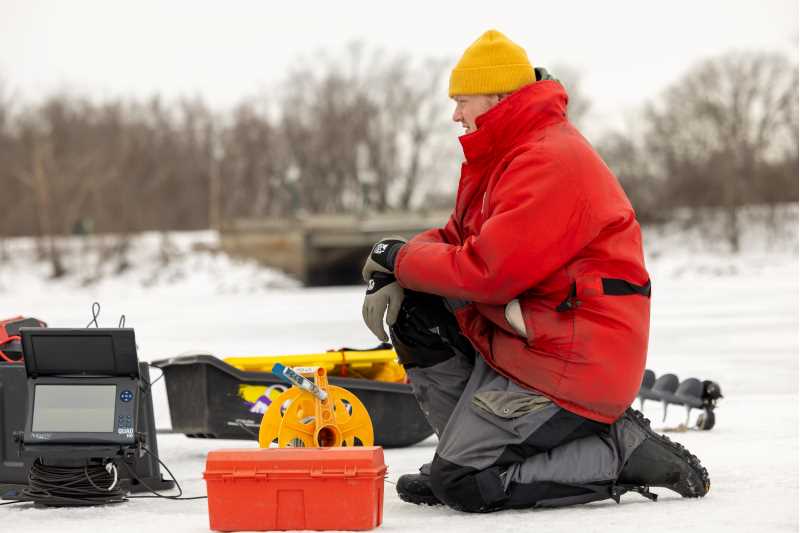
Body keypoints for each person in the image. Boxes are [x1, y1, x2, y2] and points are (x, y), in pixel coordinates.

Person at [361, 29, 709, 513]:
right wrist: (395, 265)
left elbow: (487, 271)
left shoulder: (549, 160)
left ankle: (618, 452)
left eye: (462, 100)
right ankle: (463, 454)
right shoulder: (508, 155)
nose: (455, 114)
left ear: (499, 97)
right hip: (528, 344)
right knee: (415, 304)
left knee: (465, 484)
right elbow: (455, 241)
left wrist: (397, 257)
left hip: (569, 365)